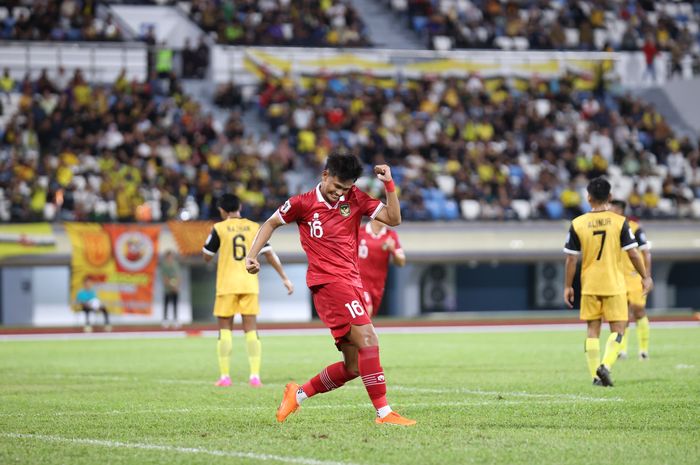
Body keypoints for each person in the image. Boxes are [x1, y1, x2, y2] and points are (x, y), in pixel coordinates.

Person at [245, 153, 416, 426]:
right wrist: (252, 255)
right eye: (336, 187)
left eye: (346, 189)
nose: (340, 194)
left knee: (354, 367)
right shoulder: (301, 203)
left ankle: (296, 395)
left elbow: (393, 218)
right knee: (369, 339)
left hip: (352, 282)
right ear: (325, 175)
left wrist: (390, 184)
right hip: (328, 283)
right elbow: (270, 223)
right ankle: (384, 414)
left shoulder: (355, 198)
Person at [563, 177, 653, 387]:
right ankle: (606, 365)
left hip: (589, 285)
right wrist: (645, 276)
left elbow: (571, 258)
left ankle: (595, 376)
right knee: (619, 329)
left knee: (592, 330)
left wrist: (568, 286)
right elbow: (632, 254)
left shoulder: (577, 223)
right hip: (614, 283)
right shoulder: (620, 222)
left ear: (588, 197)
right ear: (610, 197)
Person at [202, 193, 294, 387]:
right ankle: (254, 376)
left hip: (226, 285)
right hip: (249, 284)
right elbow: (269, 254)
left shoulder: (219, 228)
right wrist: (285, 278)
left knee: (225, 330)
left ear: (221, 210)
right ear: (240, 207)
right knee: (251, 330)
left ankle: (225, 377)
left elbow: (207, 255)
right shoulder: (254, 227)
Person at [610, 199, 652, 360]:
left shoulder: (635, 228)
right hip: (617, 277)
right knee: (622, 314)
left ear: (620, 210)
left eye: (612, 208)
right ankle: (622, 351)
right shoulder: (610, 229)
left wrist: (646, 276)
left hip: (634, 277)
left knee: (639, 310)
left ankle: (643, 350)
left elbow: (645, 252)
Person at [358, 219, 406, 317]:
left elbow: (401, 262)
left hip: (378, 285)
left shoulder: (391, 235)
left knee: (368, 317)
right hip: (360, 282)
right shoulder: (359, 232)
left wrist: (392, 250)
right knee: (366, 311)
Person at [160, 250, 181, 329]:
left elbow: (178, 276)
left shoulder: (175, 264)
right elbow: (164, 278)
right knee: (166, 304)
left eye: (171, 256)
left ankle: (175, 320)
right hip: (167, 289)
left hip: (175, 289)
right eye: (169, 256)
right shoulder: (164, 265)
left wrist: (177, 286)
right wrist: (172, 286)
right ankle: (165, 320)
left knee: (175, 304)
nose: (170, 258)